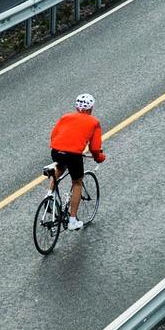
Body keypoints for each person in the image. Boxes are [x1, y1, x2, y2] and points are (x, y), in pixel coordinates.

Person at [47, 93, 106, 231]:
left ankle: (49, 195)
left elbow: (54, 135)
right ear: (91, 108)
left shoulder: (65, 117)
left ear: (76, 106)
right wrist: (99, 158)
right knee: (77, 182)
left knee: (60, 167)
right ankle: (72, 220)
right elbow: (95, 148)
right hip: (74, 155)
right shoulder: (94, 122)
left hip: (56, 150)